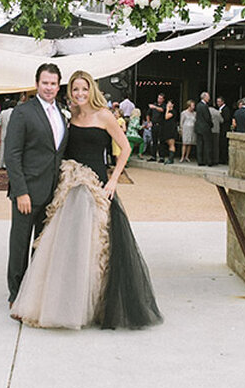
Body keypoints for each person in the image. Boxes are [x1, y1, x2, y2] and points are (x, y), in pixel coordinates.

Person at [11, 70, 162, 330]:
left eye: (84, 89)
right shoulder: (70, 116)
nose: (79, 94)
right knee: (64, 248)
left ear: (91, 89)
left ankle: (89, 304)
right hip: (68, 188)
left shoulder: (104, 115)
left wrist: (114, 179)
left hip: (96, 189)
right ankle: (43, 299)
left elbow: (125, 148)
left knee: (94, 249)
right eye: (75, 90)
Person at [5, 64, 69, 305]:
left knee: (42, 248)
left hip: (52, 194)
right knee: (20, 245)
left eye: (53, 83)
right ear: (36, 84)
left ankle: (36, 292)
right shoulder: (23, 112)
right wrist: (21, 191)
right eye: (45, 83)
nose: (49, 87)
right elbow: (12, 155)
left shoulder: (62, 114)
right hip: (27, 193)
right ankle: (16, 294)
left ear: (58, 85)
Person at [195, 92, 214, 167]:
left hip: (198, 127)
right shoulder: (204, 106)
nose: (209, 98)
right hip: (205, 128)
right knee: (207, 144)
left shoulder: (198, 105)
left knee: (199, 144)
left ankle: (200, 160)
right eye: (208, 97)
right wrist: (211, 124)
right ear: (204, 97)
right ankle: (208, 161)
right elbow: (207, 117)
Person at [148, 93, 166, 162]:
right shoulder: (154, 105)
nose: (159, 99)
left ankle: (162, 157)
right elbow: (148, 114)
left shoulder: (164, 105)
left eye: (161, 98)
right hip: (154, 125)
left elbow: (162, 110)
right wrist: (149, 122)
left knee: (161, 141)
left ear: (163, 99)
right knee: (154, 141)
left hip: (161, 125)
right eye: (158, 98)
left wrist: (154, 107)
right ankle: (153, 156)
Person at [216, 97, 232, 163]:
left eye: (219, 101)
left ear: (223, 102)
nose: (218, 103)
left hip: (224, 129)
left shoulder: (226, 109)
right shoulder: (219, 109)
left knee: (224, 144)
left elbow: (226, 118)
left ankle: (224, 159)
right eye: (217, 101)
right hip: (220, 129)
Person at [161, 100, 177, 164]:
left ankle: (171, 158)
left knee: (171, 143)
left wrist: (167, 109)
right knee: (167, 143)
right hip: (167, 129)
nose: (168, 104)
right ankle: (169, 157)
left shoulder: (173, 111)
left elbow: (166, 117)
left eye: (169, 103)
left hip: (171, 129)